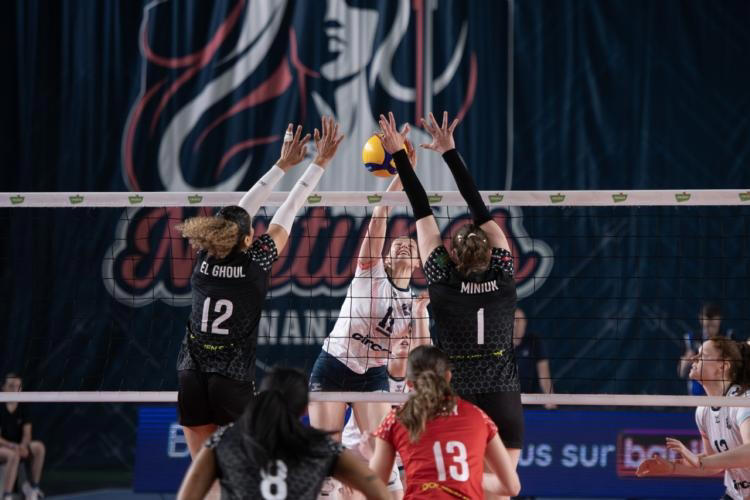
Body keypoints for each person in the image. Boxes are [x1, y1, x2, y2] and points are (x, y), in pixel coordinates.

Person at [176, 117, 344, 457]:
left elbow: (239, 213)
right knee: (246, 465)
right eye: (251, 230)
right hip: (231, 377)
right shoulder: (254, 265)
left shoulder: (204, 258)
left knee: (202, 468)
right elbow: (290, 208)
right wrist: (319, 163)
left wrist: (281, 165)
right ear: (248, 239)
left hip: (191, 373)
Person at [377, 111, 523, 499]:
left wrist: (399, 155)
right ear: (490, 250)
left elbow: (421, 210)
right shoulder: (504, 271)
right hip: (502, 387)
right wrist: (450, 152)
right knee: (503, 489)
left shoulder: (442, 278)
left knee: (454, 479)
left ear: (453, 255)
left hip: (459, 390)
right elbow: (480, 208)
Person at [308, 130, 427, 449]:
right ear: (385, 257)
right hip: (334, 362)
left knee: (379, 451)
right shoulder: (369, 272)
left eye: (411, 246)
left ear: (418, 263)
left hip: (372, 375)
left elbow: (420, 354)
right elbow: (379, 216)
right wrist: (402, 173)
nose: (403, 245)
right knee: (325, 452)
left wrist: (421, 315)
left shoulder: (414, 305)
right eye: (397, 244)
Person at [177, 367, 390, 500]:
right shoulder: (322, 448)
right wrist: (373, 456)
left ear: (262, 396)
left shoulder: (223, 441)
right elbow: (380, 494)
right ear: (304, 409)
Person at [369, 346, 520, 499]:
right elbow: (512, 487)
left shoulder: (395, 420)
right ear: (448, 376)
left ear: (409, 383)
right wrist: (466, 477)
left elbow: (373, 488)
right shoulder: (479, 416)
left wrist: (368, 455)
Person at [337, 300, 431, 500]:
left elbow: (424, 347)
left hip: (392, 455)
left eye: (409, 334)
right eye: (400, 334)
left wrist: (421, 312)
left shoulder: (420, 377)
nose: (405, 338)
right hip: (356, 450)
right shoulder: (371, 369)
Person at [637, 337, 750, 499]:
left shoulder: (743, 400)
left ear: (723, 366)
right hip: (735, 495)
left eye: (702, 355)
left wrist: (701, 461)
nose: (693, 358)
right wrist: (673, 467)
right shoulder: (703, 411)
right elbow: (713, 463)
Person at [0, 374, 45, 500]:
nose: (15, 389)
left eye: (18, 386)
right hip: (4, 447)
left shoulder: (23, 407)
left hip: (17, 446)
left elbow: (27, 434)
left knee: (38, 447)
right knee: (13, 455)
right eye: (11, 386)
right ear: (3, 388)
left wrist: (23, 446)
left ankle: (33, 489)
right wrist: (13, 446)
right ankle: (7, 496)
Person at [678, 301, 731, 396]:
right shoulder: (691, 339)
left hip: (720, 393)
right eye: (707, 326)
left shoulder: (729, 338)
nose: (710, 330)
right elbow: (681, 373)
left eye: (713, 326)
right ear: (701, 319)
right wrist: (687, 360)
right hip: (697, 395)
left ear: (719, 320)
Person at [513, 308, 556, 409]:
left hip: (532, 401)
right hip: (510, 401)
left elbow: (544, 375)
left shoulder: (534, 342)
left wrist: (550, 399)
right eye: (515, 320)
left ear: (525, 323)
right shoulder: (500, 346)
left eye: (521, 320)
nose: (517, 324)